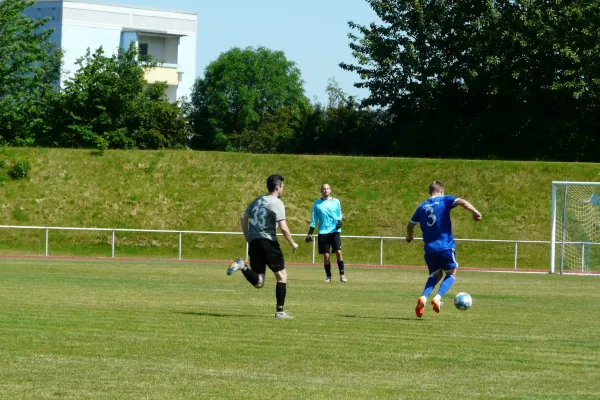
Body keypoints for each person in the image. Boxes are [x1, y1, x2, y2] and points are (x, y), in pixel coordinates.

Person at [227, 174, 299, 319]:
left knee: (259, 282)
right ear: (278, 187)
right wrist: (292, 243)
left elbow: (243, 217)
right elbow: (283, 227)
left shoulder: (258, 200)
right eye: (282, 186)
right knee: (282, 276)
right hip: (268, 242)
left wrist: (248, 237)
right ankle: (279, 311)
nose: (283, 189)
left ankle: (242, 266)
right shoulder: (277, 203)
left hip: (254, 243)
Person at [406, 181, 482, 318]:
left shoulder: (422, 206)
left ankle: (423, 297)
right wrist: (475, 211)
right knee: (451, 273)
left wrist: (409, 237)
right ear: (441, 191)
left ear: (430, 192)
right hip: (445, 246)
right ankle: (438, 297)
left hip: (429, 249)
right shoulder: (445, 199)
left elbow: (410, 225)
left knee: (435, 275)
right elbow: (462, 202)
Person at [306, 183, 347, 283]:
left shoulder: (336, 201)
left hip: (334, 231)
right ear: (321, 191)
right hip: (323, 232)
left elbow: (339, 213)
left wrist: (340, 222)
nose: (326, 190)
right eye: (324, 189)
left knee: (338, 252)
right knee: (326, 255)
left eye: (327, 188)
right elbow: (314, 219)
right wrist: (310, 233)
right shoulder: (317, 203)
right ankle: (328, 276)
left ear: (330, 190)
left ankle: (342, 275)